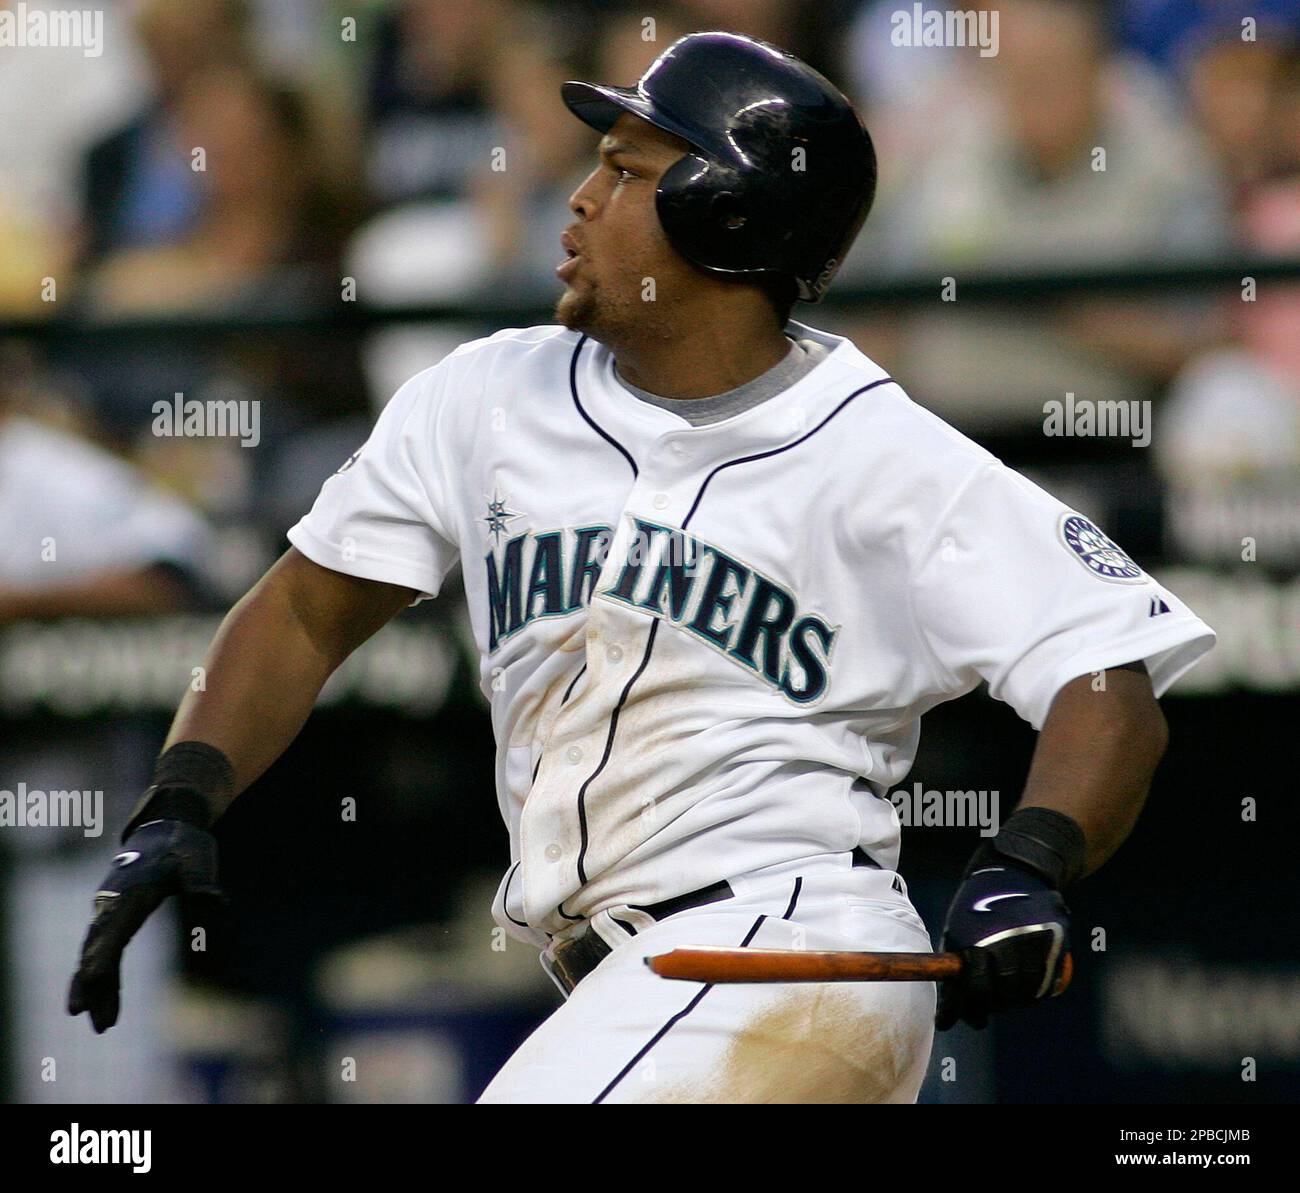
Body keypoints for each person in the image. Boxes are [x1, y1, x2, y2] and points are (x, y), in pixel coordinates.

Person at [68, 32, 1215, 1104]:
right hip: (621, 972)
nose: (578, 197)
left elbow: (1105, 671)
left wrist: (1031, 860)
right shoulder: (484, 395)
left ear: (722, 214)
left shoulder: (882, 450)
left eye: (624, 171)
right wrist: (180, 798)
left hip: (787, 950)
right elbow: (304, 611)